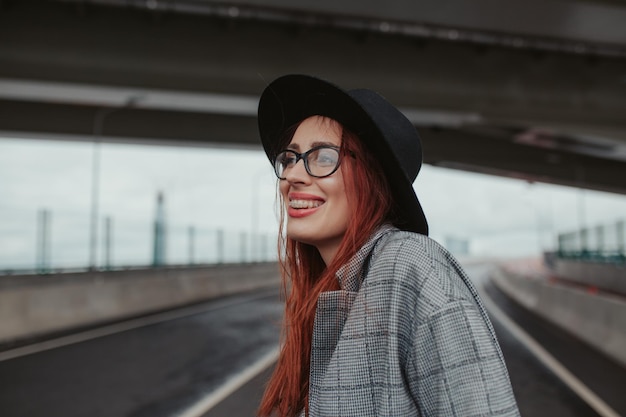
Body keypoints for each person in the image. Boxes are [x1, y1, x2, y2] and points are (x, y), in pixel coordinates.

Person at [256, 74, 520, 417]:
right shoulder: (336, 295)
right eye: (289, 158)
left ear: (372, 176)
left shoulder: (413, 265)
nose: (292, 175)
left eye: (322, 157)